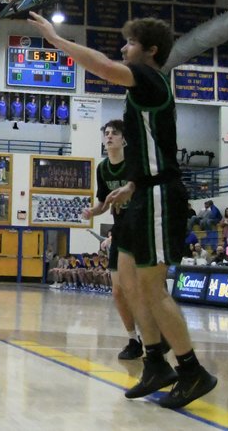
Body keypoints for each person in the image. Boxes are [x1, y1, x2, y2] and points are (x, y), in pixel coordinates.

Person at [28, 11, 216, 409]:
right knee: (127, 282)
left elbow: (104, 67)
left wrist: (56, 40)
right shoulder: (141, 91)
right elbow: (153, 148)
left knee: (152, 287)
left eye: (129, 43)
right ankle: (154, 363)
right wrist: (130, 184)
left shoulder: (149, 77)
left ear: (150, 51)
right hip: (142, 193)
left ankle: (191, 370)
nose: (123, 48)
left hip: (162, 196)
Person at [82, 120, 145, 359]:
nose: (109, 137)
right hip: (120, 231)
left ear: (123, 140)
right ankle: (133, 340)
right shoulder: (102, 169)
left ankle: (157, 337)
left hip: (141, 228)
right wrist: (92, 212)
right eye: (106, 133)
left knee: (142, 289)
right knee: (118, 292)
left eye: (114, 133)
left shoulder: (134, 164)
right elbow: (102, 204)